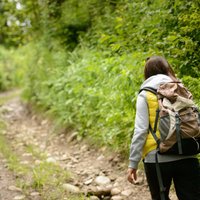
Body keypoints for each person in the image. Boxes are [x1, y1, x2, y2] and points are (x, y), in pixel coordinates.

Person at [127, 56, 200, 200]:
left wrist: (132, 163)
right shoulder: (180, 88)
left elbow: (140, 130)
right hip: (187, 153)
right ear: (167, 69)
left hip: (157, 158)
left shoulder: (145, 94)